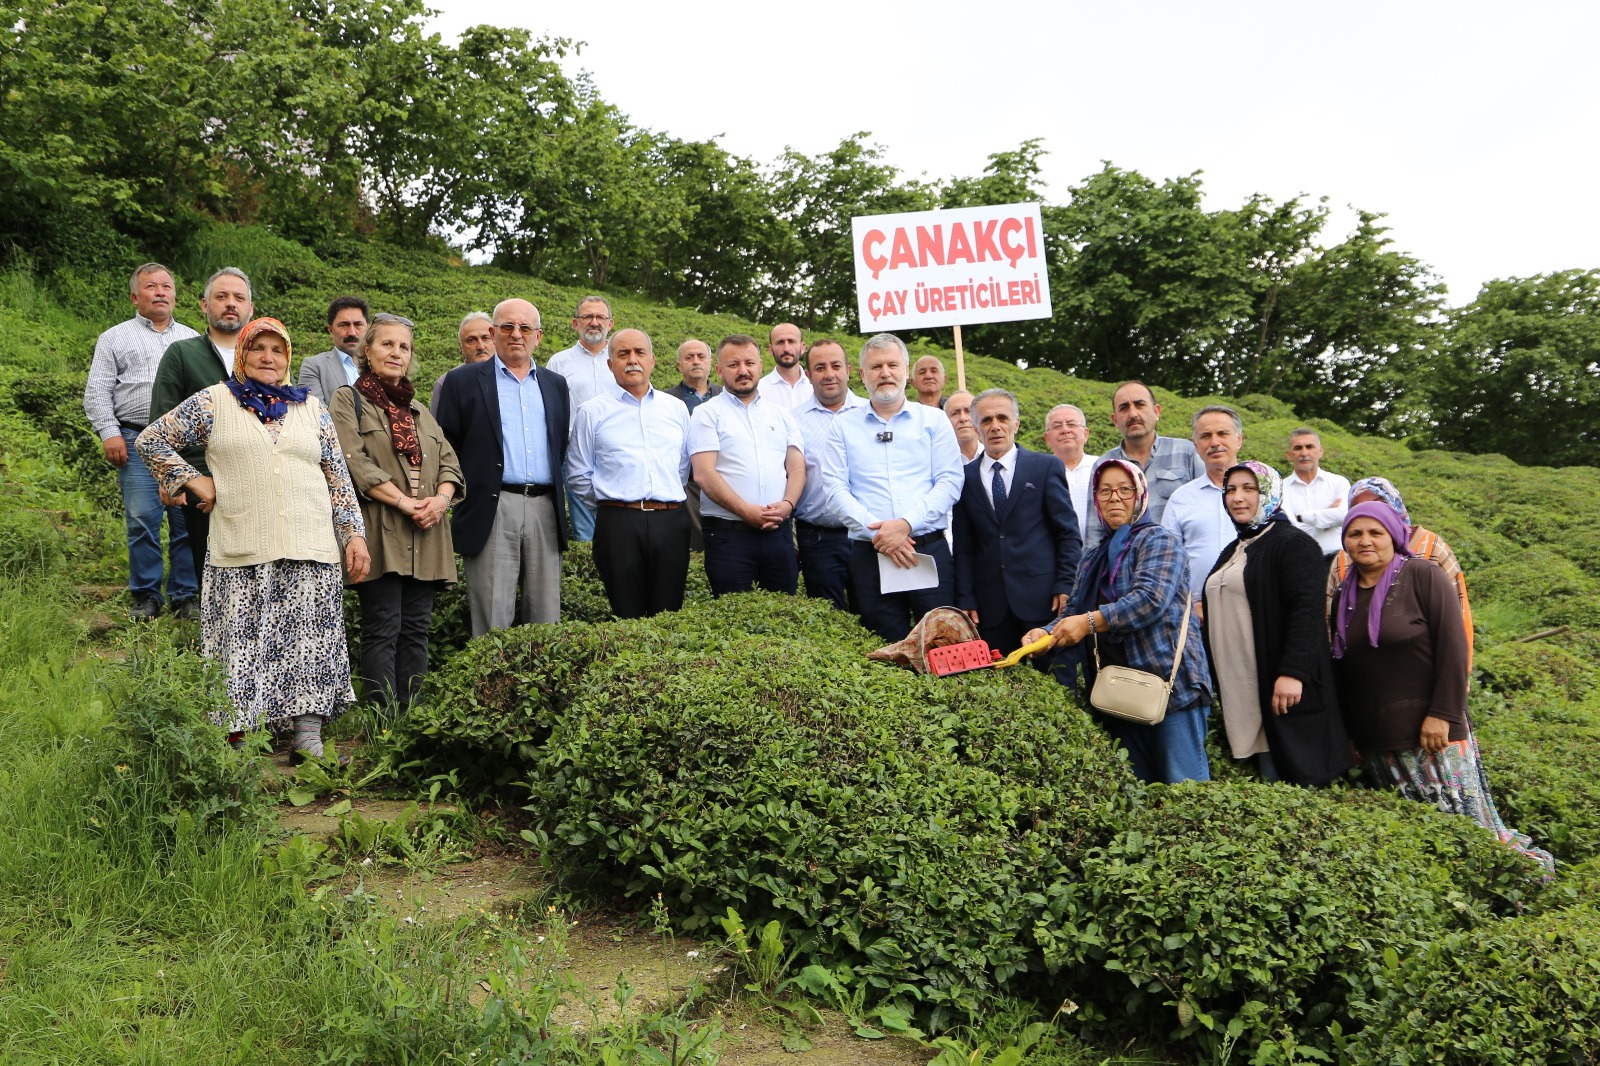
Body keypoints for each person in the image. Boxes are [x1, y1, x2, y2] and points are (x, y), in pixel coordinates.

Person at [137, 317, 370, 764]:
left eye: (277, 350)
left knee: (311, 642)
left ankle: (307, 741)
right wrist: (192, 480)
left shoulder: (312, 407)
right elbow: (152, 440)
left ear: (287, 358)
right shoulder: (215, 401)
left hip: (311, 544)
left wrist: (353, 536)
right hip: (241, 544)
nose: (268, 357)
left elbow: (338, 478)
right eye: (258, 348)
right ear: (242, 356)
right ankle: (236, 742)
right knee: (238, 644)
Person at [1330, 502, 1552, 872]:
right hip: (1380, 741)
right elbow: (1346, 668)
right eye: (1355, 534)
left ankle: (1517, 889)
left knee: (1468, 832)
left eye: (1375, 533)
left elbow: (1454, 648)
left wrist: (1442, 715)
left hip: (1432, 734)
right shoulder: (1343, 595)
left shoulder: (1422, 575)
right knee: (1425, 842)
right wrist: (1352, 734)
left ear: (1394, 535)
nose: (1365, 541)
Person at [1025, 460, 1211, 784]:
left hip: (1167, 684)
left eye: (1125, 490)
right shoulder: (1092, 556)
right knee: (1137, 788)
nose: (1115, 498)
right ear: (1095, 498)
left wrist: (1089, 622)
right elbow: (1074, 613)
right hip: (1117, 690)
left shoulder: (1158, 541)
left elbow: (1149, 600)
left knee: (1183, 788)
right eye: (1105, 490)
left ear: (1140, 495)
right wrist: (1046, 633)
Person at [330, 314, 462, 714]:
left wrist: (440, 500)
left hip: (427, 530)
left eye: (403, 347)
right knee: (383, 626)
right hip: (381, 528)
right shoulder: (348, 399)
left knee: (417, 630)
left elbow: (449, 462)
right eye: (387, 344)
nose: (396, 353)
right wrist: (405, 503)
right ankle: (381, 718)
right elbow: (352, 460)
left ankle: (411, 715)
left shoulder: (419, 408)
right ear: (367, 351)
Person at [1200, 461, 1352, 785]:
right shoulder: (1235, 548)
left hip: (1281, 690)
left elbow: (1306, 612)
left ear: (1268, 492)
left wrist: (1292, 673)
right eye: (1230, 490)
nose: (1237, 497)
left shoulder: (1293, 544)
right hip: (1242, 689)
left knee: (1287, 777)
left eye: (1249, 488)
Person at [433, 298, 570, 637]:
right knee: (492, 622)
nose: (516, 334)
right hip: (491, 508)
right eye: (507, 327)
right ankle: (490, 691)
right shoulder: (461, 381)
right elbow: (445, 449)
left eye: (525, 328)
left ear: (538, 336)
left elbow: (560, 446)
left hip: (545, 509)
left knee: (546, 620)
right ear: (493, 333)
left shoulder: (556, 385)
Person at [822, 333, 963, 643]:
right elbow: (834, 489)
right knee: (884, 646)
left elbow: (950, 482)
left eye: (892, 365)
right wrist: (881, 535)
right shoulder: (843, 426)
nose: (884, 373)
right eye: (875, 367)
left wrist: (905, 525)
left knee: (941, 643)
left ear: (906, 370)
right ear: (861, 375)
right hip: (870, 553)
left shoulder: (934, 420)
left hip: (927, 548)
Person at [82, 262, 200, 620]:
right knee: (142, 519)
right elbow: (97, 391)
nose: (160, 292)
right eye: (151, 287)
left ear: (175, 295)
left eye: (166, 286)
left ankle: (186, 595)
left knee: (186, 521)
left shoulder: (194, 340)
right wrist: (110, 432)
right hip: (133, 438)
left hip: (184, 443)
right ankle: (146, 596)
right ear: (135, 296)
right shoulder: (114, 337)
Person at [569, 329, 692, 618]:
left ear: (652, 361)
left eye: (639, 353)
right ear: (610, 364)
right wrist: (612, 503)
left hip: (670, 520)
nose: (632, 360)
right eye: (623, 354)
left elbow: (682, 467)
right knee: (627, 614)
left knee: (668, 614)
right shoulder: (592, 412)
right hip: (618, 525)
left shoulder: (676, 409)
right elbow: (579, 473)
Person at [149, 266, 255, 585]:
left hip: (258, 480)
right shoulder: (183, 353)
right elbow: (161, 420)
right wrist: (174, 480)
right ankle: (213, 636)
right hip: (203, 480)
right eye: (221, 296)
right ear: (205, 305)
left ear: (251, 308)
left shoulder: (266, 356)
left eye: (239, 297)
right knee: (212, 573)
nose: (231, 303)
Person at [953, 388, 1080, 654]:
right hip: (989, 607)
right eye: (986, 420)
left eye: (1003, 418)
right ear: (976, 428)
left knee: (1057, 680)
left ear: (1016, 423)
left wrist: (1065, 584)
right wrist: (966, 597)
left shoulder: (1045, 467)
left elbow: (1067, 533)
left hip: (1044, 600)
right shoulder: (964, 477)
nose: (995, 426)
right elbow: (964, 546)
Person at [690, 334, 805, 596]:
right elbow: (705, 474)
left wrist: (787, 506)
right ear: (719, 371)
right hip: (728, 536)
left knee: (785, 612)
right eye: (733, 365)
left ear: (760, 365)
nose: (743, 371)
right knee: (733, 616)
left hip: (779, 533)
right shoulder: (706, 413)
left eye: (749, 363)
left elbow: (797, 468)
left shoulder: (781, 415)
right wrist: (746, 511)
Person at [1327, 476, 1474, 668]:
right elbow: (1330, 618)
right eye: (1357, 507)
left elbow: (1457, 611)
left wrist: (1461, 672)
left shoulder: (1431, 546)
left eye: (1377, 503)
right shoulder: (1346, 556)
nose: (1369, 510)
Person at [1083, 381, 1205, 551]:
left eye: (1140, 405)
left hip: (1179, 565)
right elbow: (1094, 530)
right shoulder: (1104, 465)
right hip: (1123, 568)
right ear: (1115, 420)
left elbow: (1205, 511)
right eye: (1124, 408)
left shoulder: (1187, 452)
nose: (1133, 414)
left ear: (1156, 412)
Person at [792, 338, 866, 612]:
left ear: (848, 369)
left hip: (868, 534)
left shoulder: (871, 414)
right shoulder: (793, 420)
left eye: (836, 365)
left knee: (873, 612)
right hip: (817, 537)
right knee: (830, 617)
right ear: (809, 375)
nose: (829, 374)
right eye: (820, 368)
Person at [547, 295, 615, 541]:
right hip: (575, 455)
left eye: (600, 317)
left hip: (616, 452)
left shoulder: (621, 359)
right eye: (587, 316)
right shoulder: (559, 362)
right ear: (576, 323)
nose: (594, 322)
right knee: (585, 528)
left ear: (611, 323)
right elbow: (551, 411)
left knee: (619, 521)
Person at [1162, 404, 1245, 604]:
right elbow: (1166, 562)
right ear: (1196, 445)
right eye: (1206, 436)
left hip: (1254, 609)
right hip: (1196, 614)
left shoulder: (1263, 491)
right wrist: (1187, 605)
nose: (1214, 442)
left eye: (1222, 433)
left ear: (1239, 439)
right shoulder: (1181, 498)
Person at [664, 338, 721, 551]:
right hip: (685, 483)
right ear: (679, 365)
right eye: (689, 358)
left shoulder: (727, 395)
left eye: (701, 356)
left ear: (711, 363)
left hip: (723, 478)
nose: (696, 361)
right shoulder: (665, 400)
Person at [1282, 428, 1350, 556]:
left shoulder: (1339, 482)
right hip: (1299, 559)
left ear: (1320, 451)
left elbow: (1344, 516)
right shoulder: (1280, 489)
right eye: (1297, 448)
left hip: (1337, 560)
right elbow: (1291, 531)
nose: (1304, 453)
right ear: (1288, 455)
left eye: (1310, 447)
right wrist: (1328, 519)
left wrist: (1301, 517)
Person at [297, 296, 370, 408]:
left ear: (368, 328)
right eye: (344, 325)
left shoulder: (380, 365)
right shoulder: (314, 366)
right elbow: (316, 414)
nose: (352, 332)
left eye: (358, 324)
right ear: (331, 330)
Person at [1043, 403, 1098, 540]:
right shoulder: (1038, 472)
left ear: (1085, 434)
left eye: (1071, 424)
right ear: (1047, 438)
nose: (1065, 430)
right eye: (1057, 426)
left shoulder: (1102, 467)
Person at [430, 311, 495, 408]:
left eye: (486, 338)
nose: (481, 346)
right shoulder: (446, 382)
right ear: (461, 347)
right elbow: (437, 422)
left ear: (495, 340)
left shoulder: (511, 376)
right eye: (471, 340)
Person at [757, 322, 812, 410]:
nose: (786, 348)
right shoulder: (759, 391)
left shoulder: (815, 387)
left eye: (791, 341)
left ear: (802, 348)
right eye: (780, 342)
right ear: (771, 350)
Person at [945, 390, 981, 461]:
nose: (963, 418)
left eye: (968, 411)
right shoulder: (939, 460)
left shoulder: (993, 453)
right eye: (955, 413)